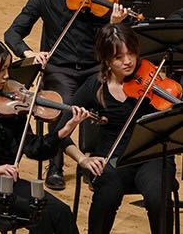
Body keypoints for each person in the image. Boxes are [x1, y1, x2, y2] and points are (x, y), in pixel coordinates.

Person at [4, 0, 128, 191]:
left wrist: (113, 25)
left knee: (109, 105)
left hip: (95, 67)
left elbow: (110, 40)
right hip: (60, 69)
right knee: (63, 107)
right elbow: (13, 33)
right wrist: (29, 54)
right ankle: (56, 164)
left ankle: (98, 165)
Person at [0, 38, 89, 234]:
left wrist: (64, 130)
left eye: (8, 70)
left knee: (61, 212)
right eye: (1, 70)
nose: (7, 76)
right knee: (40, 213)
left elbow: (33, 148)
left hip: (8, 185)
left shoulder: (10, 106)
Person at [58, 23, 177, 233]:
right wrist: (82, 159)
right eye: (118, 57)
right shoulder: (94, 87)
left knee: (158, 199)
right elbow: (59, 132)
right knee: (107, 196)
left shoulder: (152, 78)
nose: (128, 61)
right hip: (111, 159)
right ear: (105, 59)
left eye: (131, 53)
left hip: (153, 156)